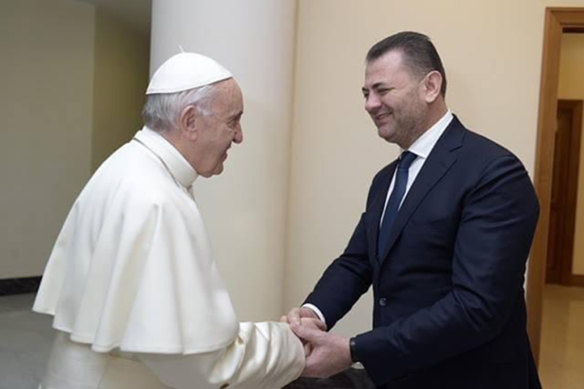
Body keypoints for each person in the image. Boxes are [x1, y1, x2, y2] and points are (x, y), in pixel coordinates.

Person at [33, 52, 315, 389]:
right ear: (190, 120)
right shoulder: (156, 199)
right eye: (233, 120)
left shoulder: (126, 164)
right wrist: (291, 344)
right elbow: (204, 367)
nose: (239, 136)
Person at [284, 31, 542, 388]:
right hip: (398, 374)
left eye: (382, 90)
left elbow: (476, 307)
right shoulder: (386, 179)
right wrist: (313, 315)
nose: (369, 104)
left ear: (430, 86)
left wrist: (355, 349)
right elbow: (357, 261)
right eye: (365, 93)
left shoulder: (494, 172)